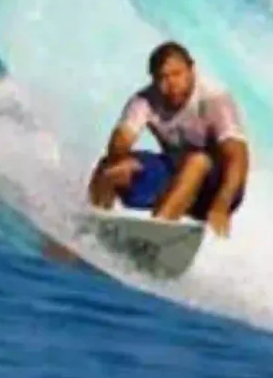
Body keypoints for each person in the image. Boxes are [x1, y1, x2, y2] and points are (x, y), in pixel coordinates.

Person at [88, 41, 251, 237]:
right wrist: (120, 154)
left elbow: (238, 159)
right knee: (111, 168)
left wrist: (222, 205)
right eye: (162, 78)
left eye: (177, 74)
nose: (171, 84)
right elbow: (121, 140)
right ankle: (93, 228)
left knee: (197, 161)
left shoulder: (214, 98)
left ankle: (154, 236)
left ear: (191, 70)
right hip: (175, 175)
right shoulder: (145, 100)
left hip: (218, 190)